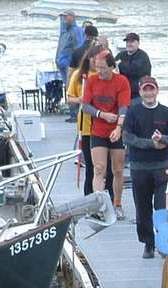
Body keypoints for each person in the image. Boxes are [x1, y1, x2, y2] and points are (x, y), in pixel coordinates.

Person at [122, 76, 168, 258]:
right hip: (139, 167)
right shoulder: (133, 112)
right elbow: (127, 137)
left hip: (162, 167)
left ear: (157, 90)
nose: (149, 93)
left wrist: (162, 140)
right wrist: (150, 144)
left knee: (162, 207)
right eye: (145, 89)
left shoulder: (167, 112)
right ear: (140, 91)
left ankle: (163, 241)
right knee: (142, 207)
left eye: (151, 89)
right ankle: (148, 242)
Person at [82, 49, 130, 220]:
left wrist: (119, 128)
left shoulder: (121, 81)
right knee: (99, 168)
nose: (100, 71)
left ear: (111, 67)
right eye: (97, 67)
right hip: (98, 130)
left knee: (117, 169)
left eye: (103, 68)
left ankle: (117, 203)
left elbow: (123, 107)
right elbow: (85, 105)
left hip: (116, 129)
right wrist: (101, 114)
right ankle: (99, 205)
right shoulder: (92, 80)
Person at [67, 44, 114, 199]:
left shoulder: (108, 75)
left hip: (107, 127)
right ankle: (89, 197)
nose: (97, 62)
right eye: (95, 58)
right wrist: (80, 99)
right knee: (91, 166)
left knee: (108, 167)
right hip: (87, 127)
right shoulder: (79, 76)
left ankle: (109, 197)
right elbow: (69, 99)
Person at [55, 9, 84, 122]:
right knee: (68, 88)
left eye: (66, 16)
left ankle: (76, 114)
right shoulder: (64, 31)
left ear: (72, 17)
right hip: (62, 64)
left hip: (70, 65)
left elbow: (78, 47)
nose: (64, 19)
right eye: (63, 17)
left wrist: (76, 64)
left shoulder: (76, 30)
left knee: (72, 88)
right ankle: (73, 113)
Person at [115, 33, 152, 100]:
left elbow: (133, 70)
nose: (129, 44)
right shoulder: (120, 55)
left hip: (138, 93)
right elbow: (112, 67)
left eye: (132, 42)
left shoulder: (143, 56)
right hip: (122, 91)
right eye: (127, 42)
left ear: (138, 43)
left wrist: (121, 65)